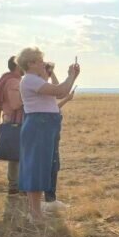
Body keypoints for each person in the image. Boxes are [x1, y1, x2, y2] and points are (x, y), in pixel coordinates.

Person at [16, 48, 79, 221]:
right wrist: (71, 75)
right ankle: (35, 214)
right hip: (39, 125)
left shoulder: (34, 79)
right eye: (39, 61)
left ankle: (36, 212)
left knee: (41, 167)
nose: (43, 63)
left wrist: (72, 76)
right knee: (36, 168)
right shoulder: (29, 80)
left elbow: (62, 91)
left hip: (43, 125)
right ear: (30, 64)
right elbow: (61, 91)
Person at [43, 67, 75, 211]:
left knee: (52, 162)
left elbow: (59, 91)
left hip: (51, 126)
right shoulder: (40, 86)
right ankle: (49, 199)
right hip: (47, 127)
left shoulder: (43, 85)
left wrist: (53, 72)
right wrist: (67, 99)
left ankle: (49, 198)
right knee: (50, 163)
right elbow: (59, 94)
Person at [0, 56, 23, 195]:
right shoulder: (13, 81)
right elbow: (15, 104)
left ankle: (15, 185)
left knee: (15, 154)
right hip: (15, 122)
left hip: (13, 121)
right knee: (16, 155)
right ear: (18, 66)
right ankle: (15, 186)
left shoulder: (11, 79)